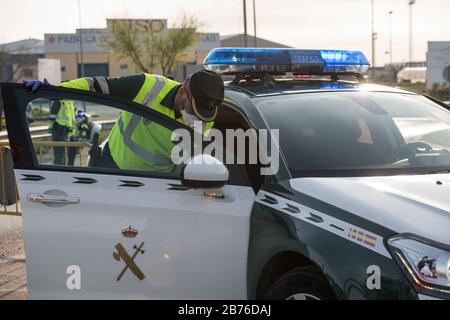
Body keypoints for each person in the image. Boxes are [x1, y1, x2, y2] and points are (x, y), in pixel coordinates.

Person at [24, 70, 224, 173]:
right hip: (111, 166)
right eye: (194, 109)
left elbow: (193, 162)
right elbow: (97, 85)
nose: (198, 117)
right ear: (182, 92)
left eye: (204, 113)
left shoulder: (205, 120)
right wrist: (57, 90)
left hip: (157, 184)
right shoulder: (149, 85)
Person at [48, 99, 76, 165]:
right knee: (60, 155)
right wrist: (51, 128)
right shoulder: (58, 102)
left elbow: (71, 119)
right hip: (59, 132)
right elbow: (52, 117)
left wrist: (72, 132)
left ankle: (70, 171)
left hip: (69, 132)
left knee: (71, 153)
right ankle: (58, 172)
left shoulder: (69, 102)